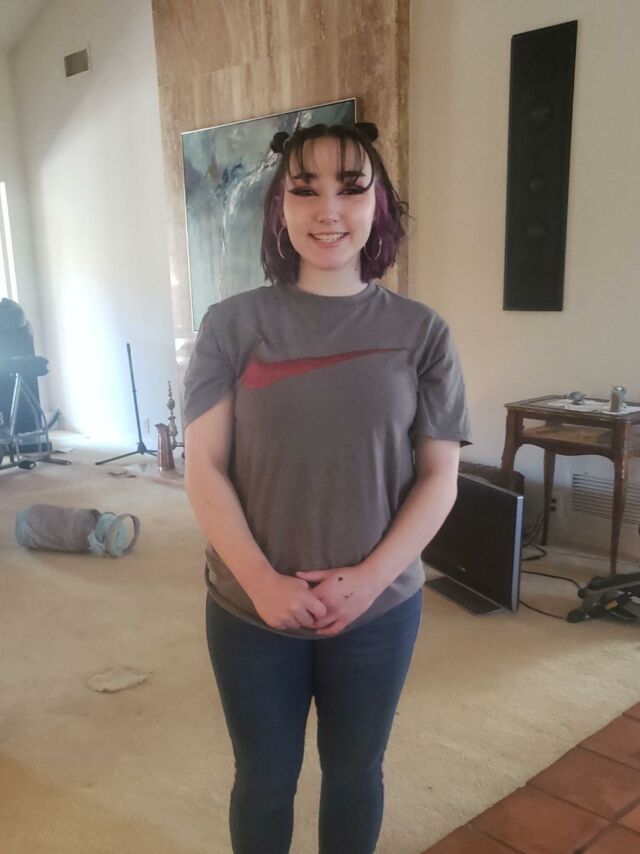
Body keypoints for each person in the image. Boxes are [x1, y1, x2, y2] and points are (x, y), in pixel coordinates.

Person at [182, 121, 471, 854]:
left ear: (380, 204)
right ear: (280, 206)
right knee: (263, 781)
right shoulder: (231, 324)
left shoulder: (422, 333)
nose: (328, 210)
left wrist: (368, 582)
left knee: (355, 775)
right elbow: (204, 466)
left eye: (351, 188)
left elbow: (439, 478)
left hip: (379, 609)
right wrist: (262, 582)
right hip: (249, 608)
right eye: (304, 190)